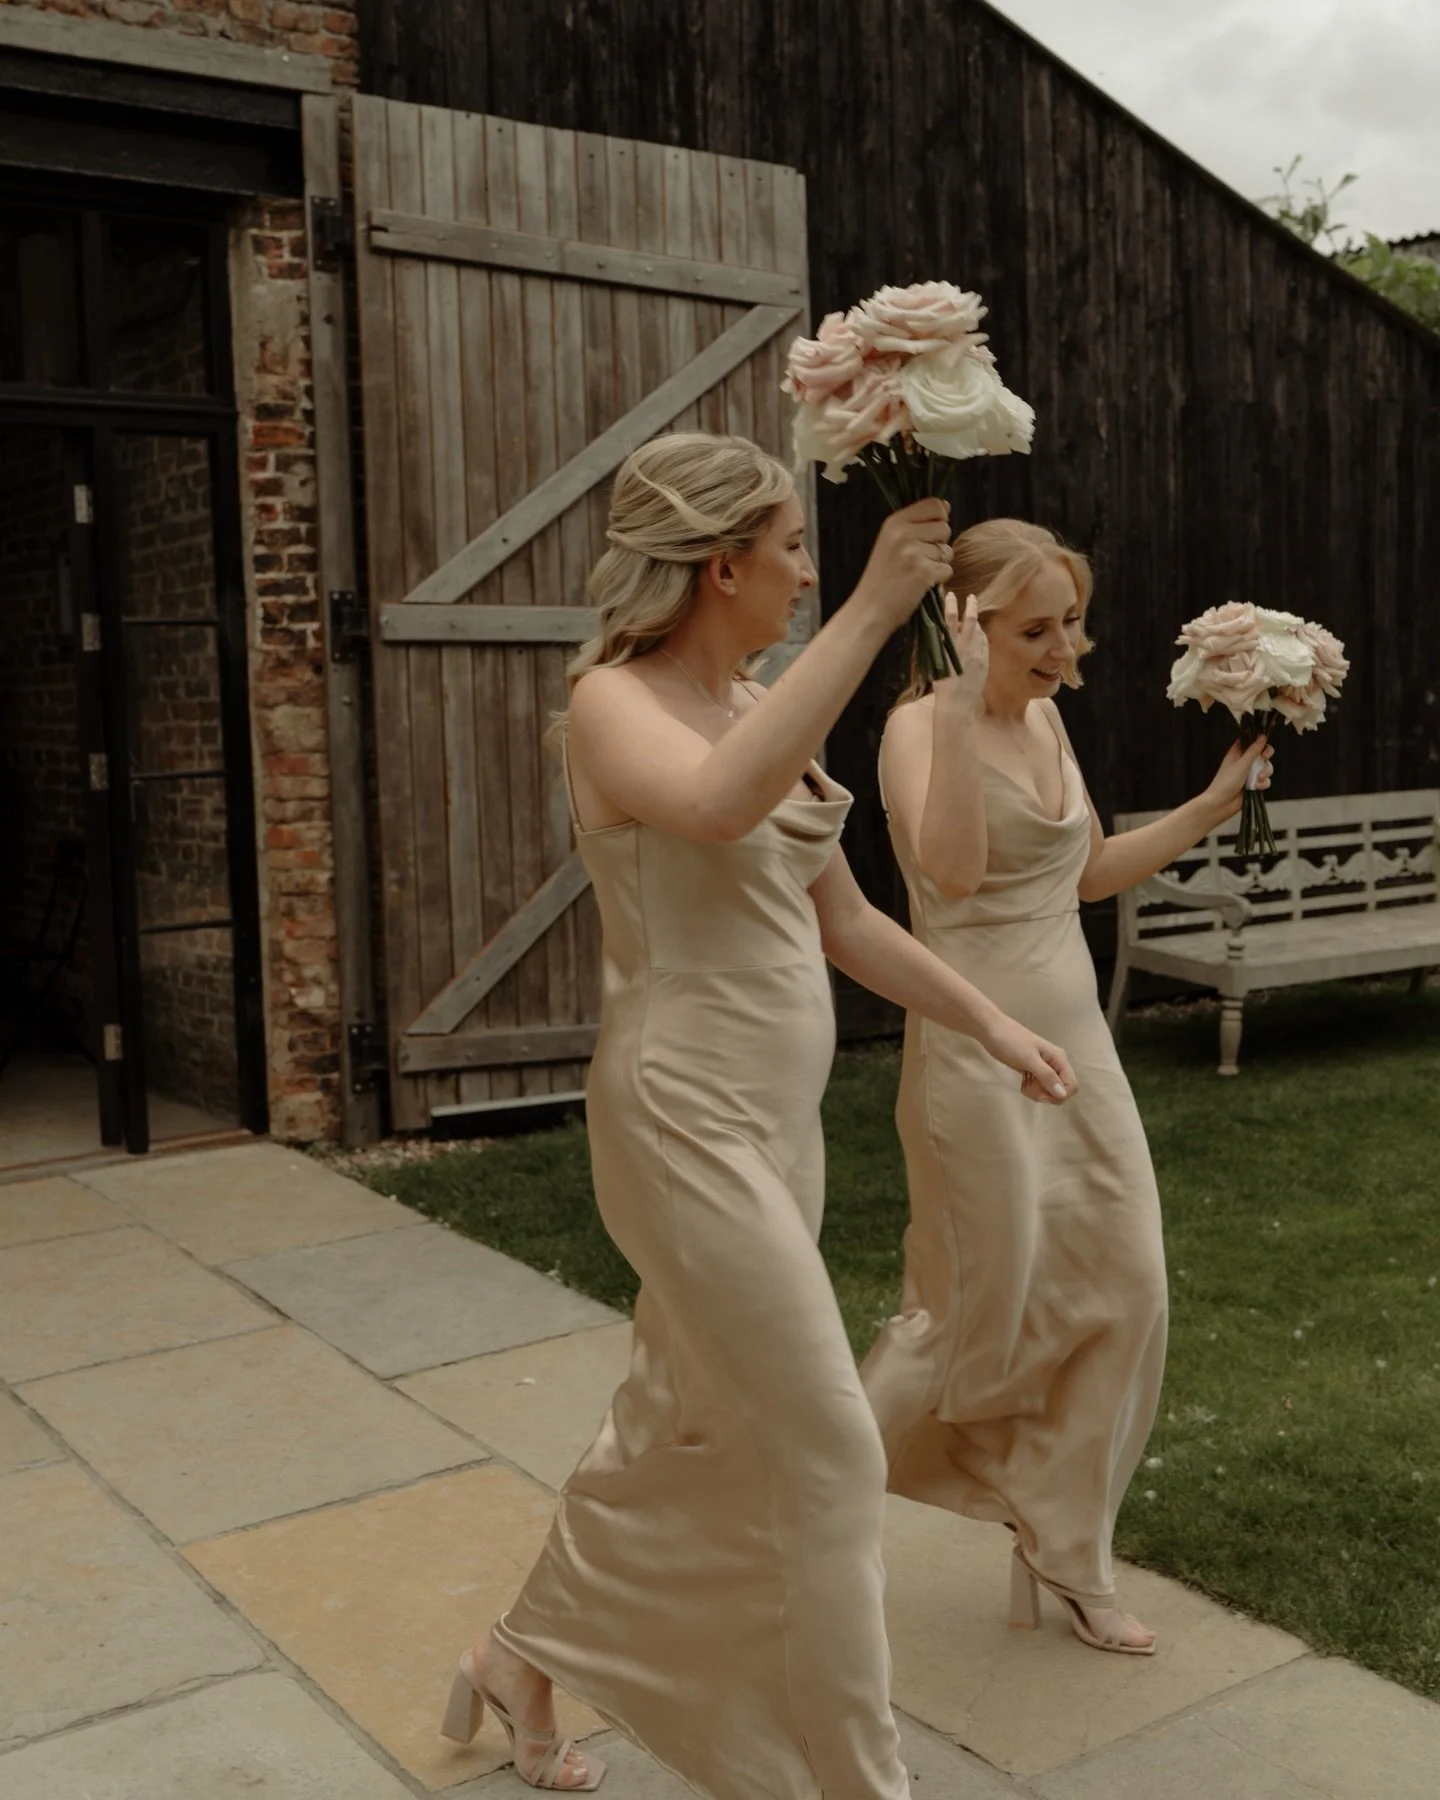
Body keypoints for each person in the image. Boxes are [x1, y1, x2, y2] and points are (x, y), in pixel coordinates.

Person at [440, 438, 1078, 1796]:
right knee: (831, 1449)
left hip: (778, 1127)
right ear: (720, 566)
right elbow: (717, 806)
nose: (808, 574)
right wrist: (873, 613)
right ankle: (856, 1780)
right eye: (792, 548)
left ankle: (520, 1653)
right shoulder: (614, 705)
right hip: (680, 1121)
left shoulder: (756, 704)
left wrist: (993, 1022)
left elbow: (845, 921)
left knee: (682, 1417)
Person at [861, 518, 1273, 1656]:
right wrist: (956, 705)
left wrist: (1209, 806)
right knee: (971, 1316)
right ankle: (802, 1495)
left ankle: (1068, 1547)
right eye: (1036, 629)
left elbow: (1085, 873)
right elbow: (950, 875)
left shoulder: (1048, 719)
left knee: (1128, 1289)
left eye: (1072, 622)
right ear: (965, 625)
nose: (1065, 648)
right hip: (972, 1056)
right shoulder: (915, 728)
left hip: (1077, 1053)